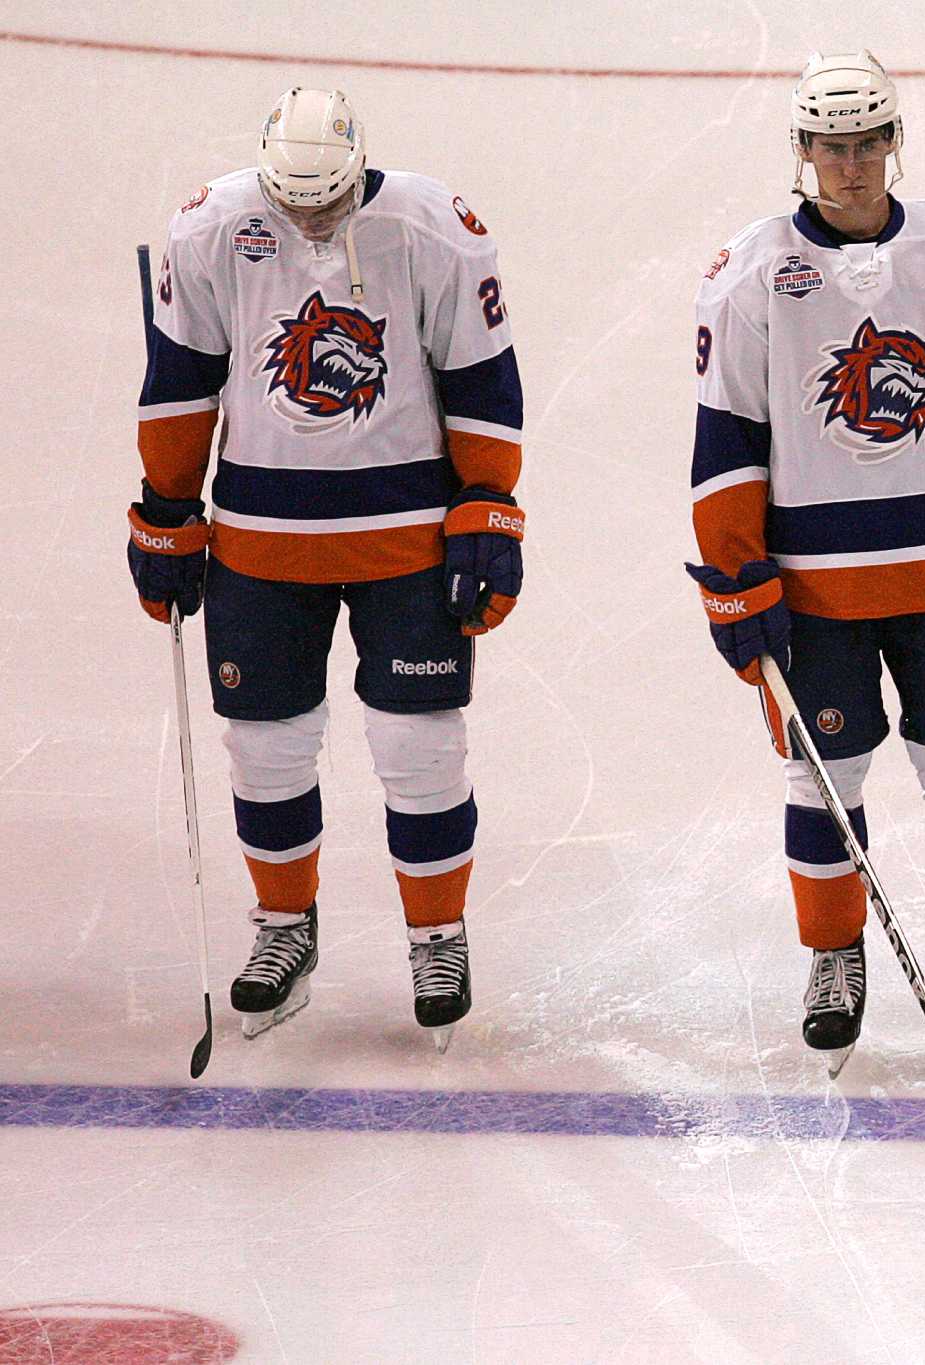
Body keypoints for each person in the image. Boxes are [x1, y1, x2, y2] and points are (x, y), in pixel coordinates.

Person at [686, 51, 925, 1085]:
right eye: (831, 147)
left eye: (867, 145)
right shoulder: (749, 272)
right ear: (801, 151)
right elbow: (725, 434)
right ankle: (832, 958)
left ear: (892, 143)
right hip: (812, 590)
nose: (851, 167)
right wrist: (737, 576)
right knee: (823, 784)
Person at [130, 87, 526, 1047]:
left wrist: (490, 507)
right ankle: (284, 926)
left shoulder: (435, 225)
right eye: (292, 202)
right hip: (263, 543)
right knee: (263, 746)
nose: (308, 217)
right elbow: (182, 379)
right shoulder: (212, 225)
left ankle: (438, 933)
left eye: (325, 202)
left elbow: (482, 375)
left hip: (406, 539)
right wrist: (167, 509)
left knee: (420, 747)